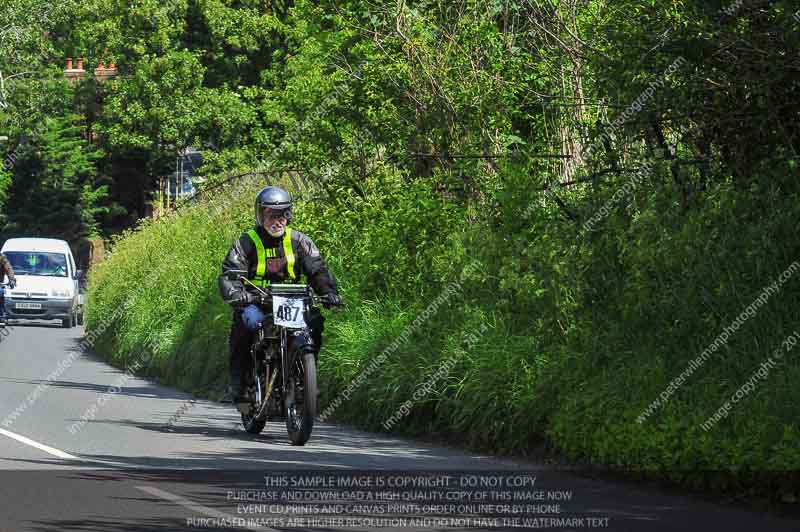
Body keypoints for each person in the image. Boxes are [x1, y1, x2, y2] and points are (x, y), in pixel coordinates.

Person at [218, 186, 343, 402]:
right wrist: (239, 294)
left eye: (283, 215)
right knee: (247, 324)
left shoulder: (300, 241)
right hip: (257, 301)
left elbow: (318, 270)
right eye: (271, 215)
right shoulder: (246, 242)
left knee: (314, 322)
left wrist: (329, 293)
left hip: (291, 302)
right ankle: (238, 384)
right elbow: (230, 275)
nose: (277, 221)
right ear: (260, 215)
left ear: (289, 215)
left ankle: (306, 376)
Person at [0, 253, 17, 325]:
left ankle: (1, 316)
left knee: (0, 293)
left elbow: (9, 269)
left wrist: (12, 280)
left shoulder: (1, 258)